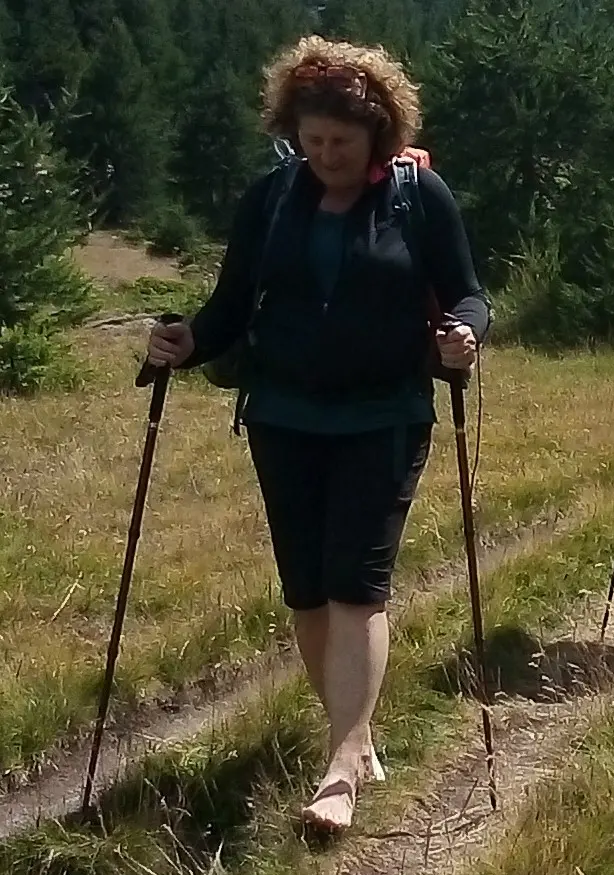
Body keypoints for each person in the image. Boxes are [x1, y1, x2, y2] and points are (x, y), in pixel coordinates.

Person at [143, 36, 490, 834]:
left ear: (379, 134)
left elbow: (469, 295)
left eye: (341, 140)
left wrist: (464, 337)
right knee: (306, 591)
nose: (325, 154)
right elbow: (229, 309)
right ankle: (353, 735)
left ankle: (342, 765)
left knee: (355, 584)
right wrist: (184, 339)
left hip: (384, 415)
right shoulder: (270, 200)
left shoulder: (418, 197)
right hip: (283, 415)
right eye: (312, 138)